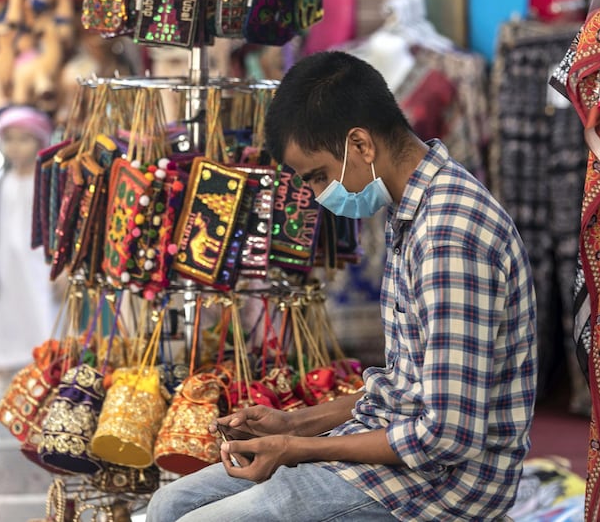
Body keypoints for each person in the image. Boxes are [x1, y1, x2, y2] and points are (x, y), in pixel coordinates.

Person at [146, 51, 537, 522]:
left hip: (441, 487)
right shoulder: (414, 209)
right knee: (169, 504)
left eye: (318, 176)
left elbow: (446, 436)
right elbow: (407, 390)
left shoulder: (449, 232)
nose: (315, 195)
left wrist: (297, 447)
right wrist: (294, 423)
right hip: (403, 464)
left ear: (361, 145)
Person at [0, 106, 60, 397]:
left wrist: (60, 269)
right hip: (4, 266)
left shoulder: (48, 182)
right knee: (5, 317)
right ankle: (4, 371)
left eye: (23, 139)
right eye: (8, 139)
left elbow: (57, 225)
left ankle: (45, 375)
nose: (14, 146)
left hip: (38, 265)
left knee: (41, 314)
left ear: (39, 142)